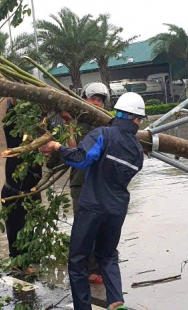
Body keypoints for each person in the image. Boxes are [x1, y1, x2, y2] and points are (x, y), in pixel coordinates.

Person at [40, 92, 146, 310]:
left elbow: (82, 159)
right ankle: (116, 301)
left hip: (92, 206)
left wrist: (58, 147)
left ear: (118, 113)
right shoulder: (137, 150)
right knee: (108, 255)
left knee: (78, 260)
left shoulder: (103, 134)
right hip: (117, 209)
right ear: (136, 119)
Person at [60, 82, 109, 284]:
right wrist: (70, 125)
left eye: (100, 100)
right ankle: (89, 269)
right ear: (84, 100)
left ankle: (100, 263)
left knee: (103, 225)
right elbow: (73, 151)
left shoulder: (106, 124)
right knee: (85, 226)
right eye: (93, 99)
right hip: (81, 182)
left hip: (101, 183)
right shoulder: (77, 123)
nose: (97, 103)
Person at [0, 98, 44, 271]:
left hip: (32, 189)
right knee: (15, 226)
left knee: (30, 225)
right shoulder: (13, 132)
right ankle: (18, 261)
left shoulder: (38, 134)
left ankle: (30, 254)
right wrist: (14, 102)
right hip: (14, 190)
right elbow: (10, 120)